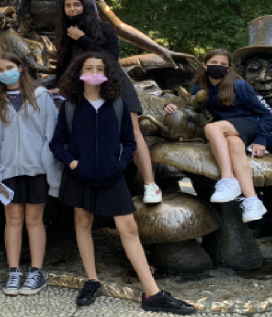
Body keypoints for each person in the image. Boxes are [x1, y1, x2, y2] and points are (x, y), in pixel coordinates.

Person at [49, 52, 194, 314]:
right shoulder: (70, 105)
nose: (94, 71)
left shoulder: (117, 105)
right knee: (83, 223)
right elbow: (57, 143)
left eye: (99, 68)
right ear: (79, 72)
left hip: (111, 175)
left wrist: (120, 163)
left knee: (128, 227)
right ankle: (91, 280)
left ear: (107, 73)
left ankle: (153, 293)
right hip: (79, 175)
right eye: (88, 67)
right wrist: (72, 163)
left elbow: (130, 141)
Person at [54, 0, 162, 204]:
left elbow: (111, 58)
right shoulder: (64, 33)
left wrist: (83, 39)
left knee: (132, 131)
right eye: (68, 5)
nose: (72, 9)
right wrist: (59, 86)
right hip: (86, 89)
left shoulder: (104, 29)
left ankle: (150, 185)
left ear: (86, 6)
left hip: (115, 82)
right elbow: (64, 64)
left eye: (77, 4)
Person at [164, 48, 272, 222]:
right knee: (234, 144)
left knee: (212, 128)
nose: (218, 66)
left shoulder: (240, 86)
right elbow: (191, 107)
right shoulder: (199, 87)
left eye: (223, 64)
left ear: (229, 69)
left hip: (248, 123)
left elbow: (268, 114)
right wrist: (170, 107)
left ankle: (228, 179)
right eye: (214, 63)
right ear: (205, 64)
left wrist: (261, 140)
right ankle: (253, 200)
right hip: (229, 131)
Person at [0, 52, 60, 296]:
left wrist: (51, 170)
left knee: (34, 220)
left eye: (10, 66)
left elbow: (51, 134)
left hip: (36, 168)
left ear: (20, 67)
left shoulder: (41, 96)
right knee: (13, 220)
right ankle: (14, 270)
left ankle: (36, 271)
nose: (5, 72)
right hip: (7, 170)